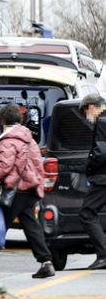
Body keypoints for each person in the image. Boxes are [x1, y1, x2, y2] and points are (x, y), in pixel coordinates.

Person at [0, 103, 54, 278]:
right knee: (31, 227)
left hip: (14, 192)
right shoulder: (29, 139)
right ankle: (46, 262)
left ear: (2, 121)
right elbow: (36, 165)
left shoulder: (8, 140)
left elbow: (5, 166)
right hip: (29, 190)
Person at [79, 94, 106, 270]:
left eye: (86, 111)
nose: (87, 116)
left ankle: (104, 255)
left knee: (87, 213)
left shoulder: (102, 121)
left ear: (91, 107)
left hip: (103, 178)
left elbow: (101, 151)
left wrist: (88, 164)